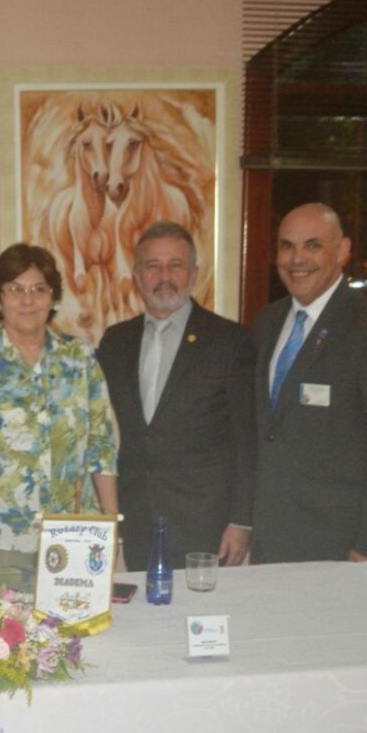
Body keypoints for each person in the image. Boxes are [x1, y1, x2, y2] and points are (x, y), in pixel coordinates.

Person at [253, 203, 367, 563]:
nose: (297, 259)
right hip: (272, 540)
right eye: (286, 246)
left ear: (343, 251)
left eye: (313, 245)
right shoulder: (266, 323)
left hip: (343, 546)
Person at [0, 244, 118, 570]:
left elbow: (102, 447)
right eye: (15, 289)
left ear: (52, 298)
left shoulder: (79, 359)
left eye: (39, 289)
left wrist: (110, 528)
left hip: (73, 534)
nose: (28, 300)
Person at [96, 222, 255, 570]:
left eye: (175, 265)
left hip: (207, 523)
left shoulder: (231, 341)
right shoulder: (115, 342)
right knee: (145, 604)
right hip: (139, 518)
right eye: (152, 266)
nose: (164, 276)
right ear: (137, 276)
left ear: (194, 273)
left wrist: (242, 521)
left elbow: (247, 439)